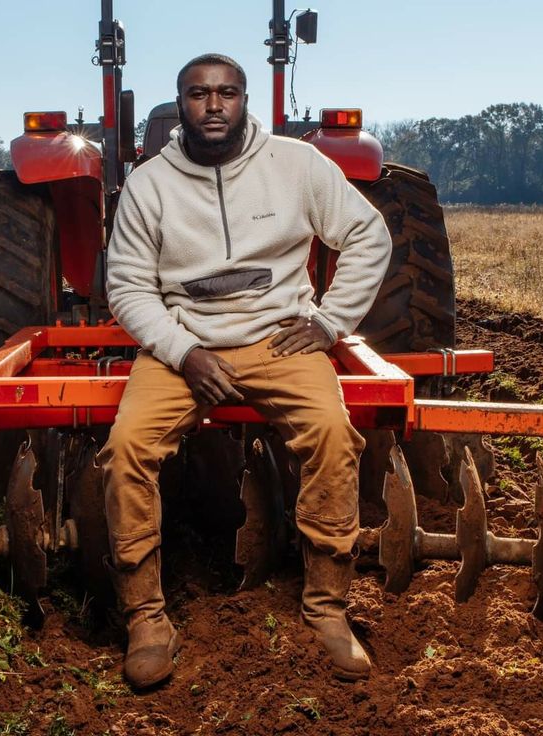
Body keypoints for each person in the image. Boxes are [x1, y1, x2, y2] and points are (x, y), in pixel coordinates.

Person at [99, 53, 392, 689]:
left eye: (226, 93)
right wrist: (183, 352)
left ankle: (328, 609)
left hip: (279, 341)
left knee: (334, 437)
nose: (212, 105)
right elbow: (126, 287)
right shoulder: (150, 183)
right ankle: (147, 619)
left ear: (243, 99)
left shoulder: (298, 164)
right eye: (198, 94)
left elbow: (370, 235)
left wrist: (329, 322)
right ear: (179, 104)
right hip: (184, 346)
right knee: (126, 449)